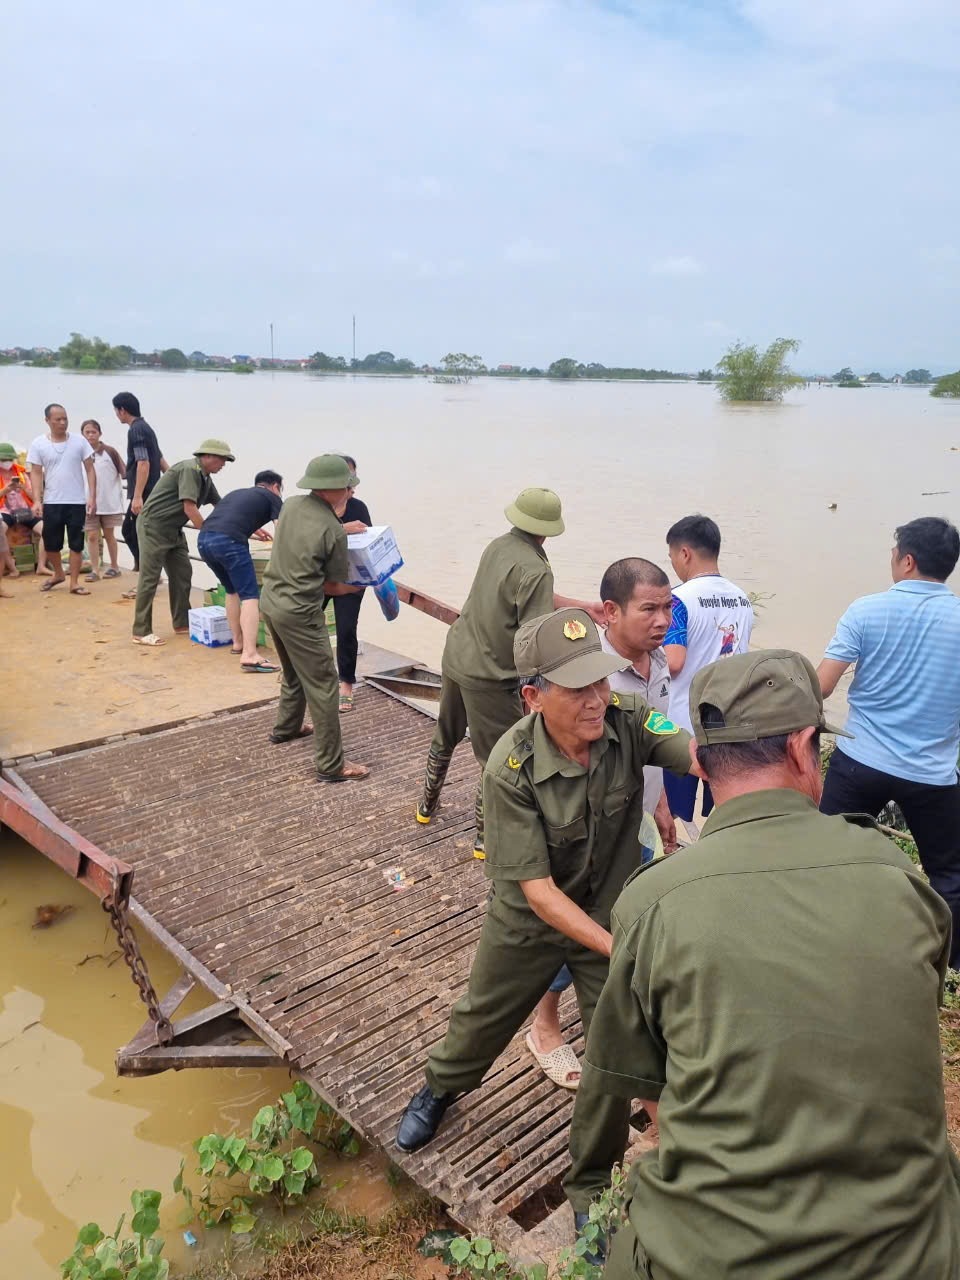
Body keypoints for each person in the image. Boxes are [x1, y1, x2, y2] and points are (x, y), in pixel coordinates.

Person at [580, 649, 960, 1277]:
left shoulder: (650, 903)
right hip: (916, 1256)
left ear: (699, 765)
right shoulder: (900, 878)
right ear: (803, 746)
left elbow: (652, 1094)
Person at [394, 607, 697, 1236]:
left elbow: (693, 754)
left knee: (617, 1052)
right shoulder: (509, 768)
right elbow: (535, 890)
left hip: (606, 910)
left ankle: (590, 1181)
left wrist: (746, 759)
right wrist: (620, 946)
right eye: (578, 687)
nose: (597, 699)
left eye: (603, 681)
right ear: (533, 696)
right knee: (483, 1016)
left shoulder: (631, 720)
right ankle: (440, 1088)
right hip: (530, 922)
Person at [526, 557, 677, 1088]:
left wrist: (659, 804)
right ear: (610, 612)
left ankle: (622, 1022)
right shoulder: (585, 669)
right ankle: (544, 1026)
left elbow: (652, 740)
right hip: (586, 829)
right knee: (578, 930)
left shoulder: (653, 664)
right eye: (649, 609)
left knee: (625, 919)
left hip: (634, 819)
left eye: (667, 607)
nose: (662, 620)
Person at [415, 488, 604, 855]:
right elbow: (532, 637)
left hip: (456, 655)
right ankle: (486, 840)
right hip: (489, 674)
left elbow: (523, 596)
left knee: (446, 734)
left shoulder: (498, 546)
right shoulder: (536, 567)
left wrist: (583, 608)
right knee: (499, 756)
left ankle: (426, 807)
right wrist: (541, 691)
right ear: (548, 529)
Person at [818, 516, 960, 969]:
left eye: (894, 554)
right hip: (933, 774)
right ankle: (945, 965)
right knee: (949, 875)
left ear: (907, 560)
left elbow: (819, 687)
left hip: (861, 762)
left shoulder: (867, 610)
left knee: (828, 859)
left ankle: (825, 945)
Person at [259, 454, 369, 783]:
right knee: (323, 685)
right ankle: (331, 763)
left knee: (293, 672)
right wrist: (363, 583)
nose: (351, 492)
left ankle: (287, 727)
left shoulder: (291, 504)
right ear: (333, 489)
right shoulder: (331, 532)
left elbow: (304, 542)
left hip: (271, 601)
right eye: (347, 487)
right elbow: (333, 586)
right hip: (299, 612)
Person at [662, 513, 754, 827]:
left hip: (682, 725)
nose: (673, 563)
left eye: (672, 556)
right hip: (728, 724)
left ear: (684, 553)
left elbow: (673, 663)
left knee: (672, 815)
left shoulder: (677, 600)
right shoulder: (742, 599)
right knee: (725, 811)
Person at [131, 440, 232, 646]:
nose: (224, 464)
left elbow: (221, 506)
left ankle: (182, 622)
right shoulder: (190, 470)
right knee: (150, 577)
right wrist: (208, 533)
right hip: (154, 526)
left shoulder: (205, 478)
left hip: (173, 529)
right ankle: (141, 631)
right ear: (208, 456)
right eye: (222, 459)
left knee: (182, 573)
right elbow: (190, 508)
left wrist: (248, 525)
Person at [197, 469, 283, 673]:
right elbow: (282, 530)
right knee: (250, 597)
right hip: (230, 542)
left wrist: (253, 529)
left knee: (231, 590)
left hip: (204, 540)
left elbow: (230, 517)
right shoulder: (273, 497)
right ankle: (250, 654)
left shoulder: (237, 493)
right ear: (276, 487)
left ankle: (238, 643)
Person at [27, 403, 96, 595]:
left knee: (76, 543)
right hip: (52, 501)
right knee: (51, 544)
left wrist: (92, 496)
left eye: (65, 418)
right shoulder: (38, 443)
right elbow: (36, 473)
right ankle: (58, 573)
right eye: (58, 419)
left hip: (76, 501)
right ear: (47, 421)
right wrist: (37, 500)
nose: (63, 422)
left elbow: (90, 469)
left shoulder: (79, 441)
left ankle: (74, 583)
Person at [324, 453, 370, 714]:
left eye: (351, 478)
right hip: (320, 577)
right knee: (305, 620)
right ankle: (300, 676)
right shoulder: (319, 508)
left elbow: (370, 544)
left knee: (346, 628)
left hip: (351, 577)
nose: (348, 485)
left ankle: (346, 685)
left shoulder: (359, 508)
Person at [112, 390, 168, 586]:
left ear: (122, 410)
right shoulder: (146, 428)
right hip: (152, 491)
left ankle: (149, 573)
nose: (116, 414)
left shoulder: (135, 430)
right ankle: (148, 571)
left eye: (116, 411)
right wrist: (171, 479)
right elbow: (159, 458)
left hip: (144, 493)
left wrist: (137, 497)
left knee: (130, 531)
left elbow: (143, 462)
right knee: (140, 532)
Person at [80, 420, 126, 580]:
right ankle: (95, 570)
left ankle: (114, 566)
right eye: (87, 432)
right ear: (82, 435)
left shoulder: (110, 452)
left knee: (109, 535)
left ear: (100, 433)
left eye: (94, 431)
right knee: (92, 536)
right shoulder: (80, 454)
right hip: (88, 503)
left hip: (109, 503)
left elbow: (125, 472)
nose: (91, 435)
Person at [0, 440, 49, 577]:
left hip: (25, 510)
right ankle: (12, 568)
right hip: (5, 511)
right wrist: (6, 489)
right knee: (0, 533)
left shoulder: (21, 473)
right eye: (4, 459)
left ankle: (41, 566)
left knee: (47, 530)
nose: (7, 462)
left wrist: (22, 487)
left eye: (9, 459)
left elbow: (34, 496)